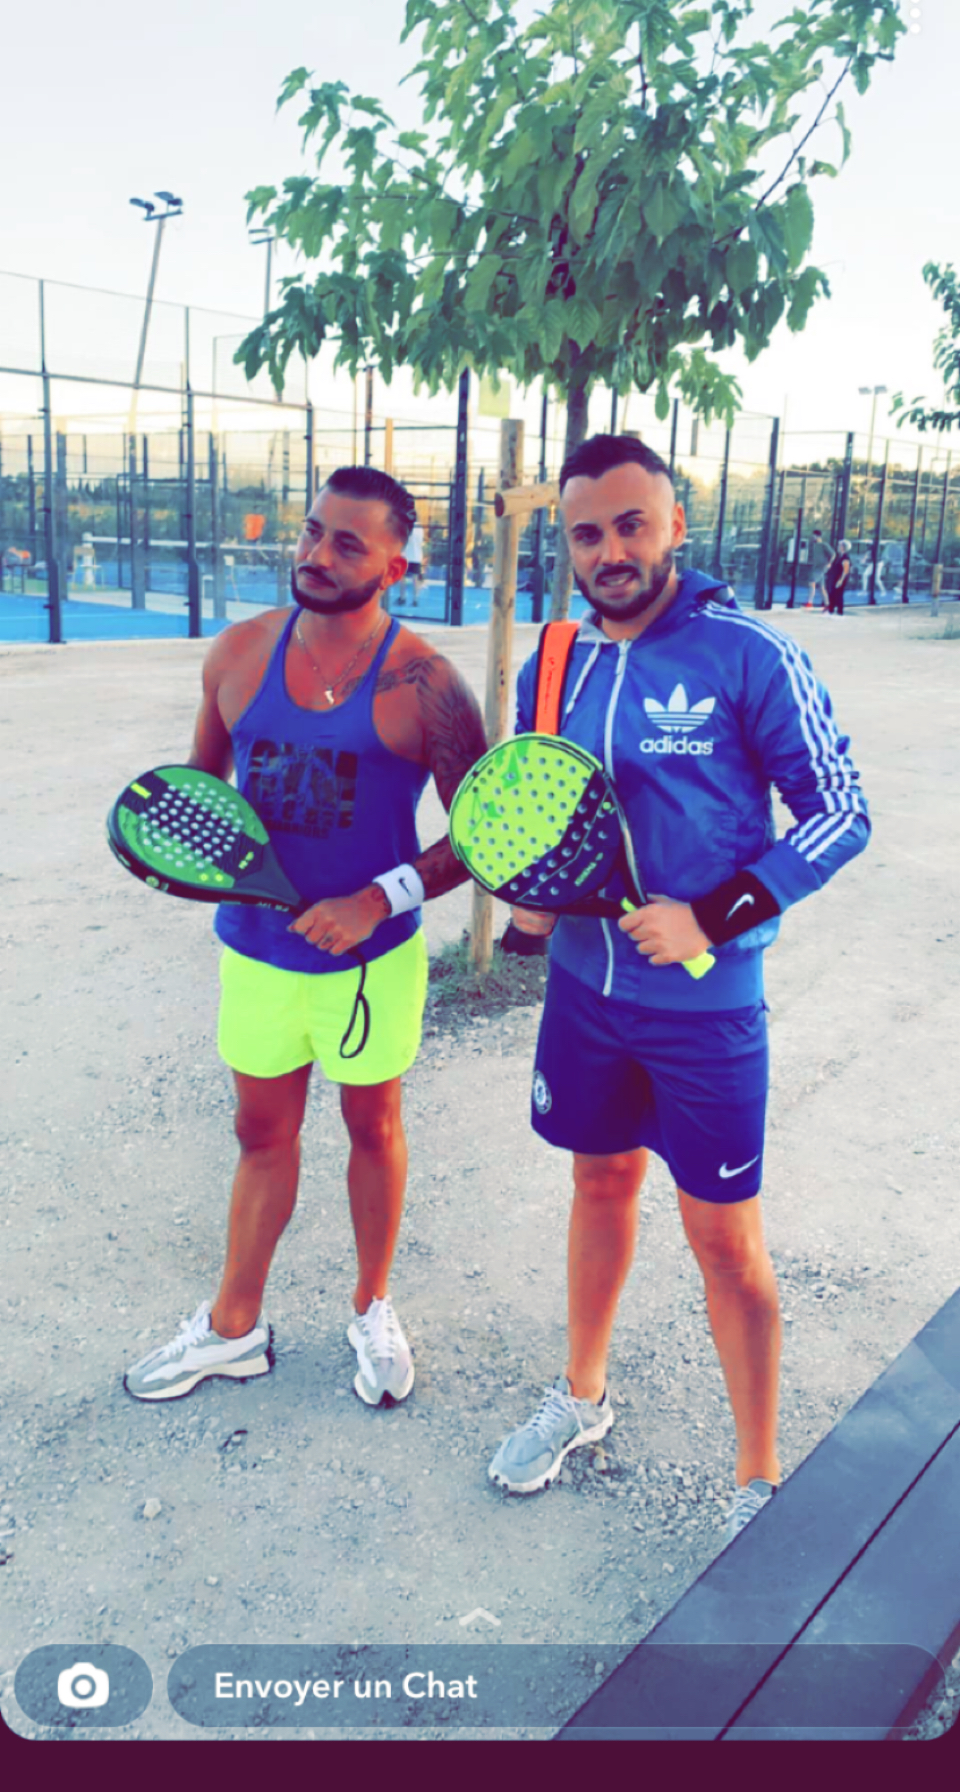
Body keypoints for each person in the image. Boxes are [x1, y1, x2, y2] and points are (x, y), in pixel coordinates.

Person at [493, 435, 870, 1546]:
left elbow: (841, 813)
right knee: (599, 1182)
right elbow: (538, 803)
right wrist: (530, 906)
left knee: (723, 1240)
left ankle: (758, 1480)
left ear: (675, 527)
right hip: (585, 996)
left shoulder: (748, 654)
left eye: (632, 525)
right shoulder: (554, 660)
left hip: (707, 1012)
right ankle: (582, 1396)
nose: (610, 551)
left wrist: (713, 915)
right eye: (587, 533)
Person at [124, 467, 487, 1406]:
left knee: (373, 1124)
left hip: (371, 963)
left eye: (347, 544)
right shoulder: (239, 653)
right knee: (260, 1132)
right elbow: (199, 794)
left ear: (396, 567)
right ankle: (233, 1329)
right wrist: (192, 861)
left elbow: (485, 834)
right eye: (313, 532)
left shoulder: (428, 684)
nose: (317, 555)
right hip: (258, 951)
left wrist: (377, 898)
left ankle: (372, 1307)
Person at [804, 529, 832, 609]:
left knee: (811, 583)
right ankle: (827, 604)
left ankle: (809, 602)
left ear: (817, 536)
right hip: (816, 567)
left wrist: (829, 563)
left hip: (820, 568)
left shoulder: (824, 545)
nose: (812, 537)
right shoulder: (814, 545)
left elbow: (833, 554)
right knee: (822, 588)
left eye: (813, 535)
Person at [825, 540, 853, 615]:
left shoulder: (845, 557)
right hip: (836, 577)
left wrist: (841, 580)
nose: (838, 547)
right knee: (833, 593)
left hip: (840, 578)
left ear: (843, 547)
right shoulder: (839, 556)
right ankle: (832, 609)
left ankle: (839, 611)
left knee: (838, 594)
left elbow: (846, 570)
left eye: (839, 545)